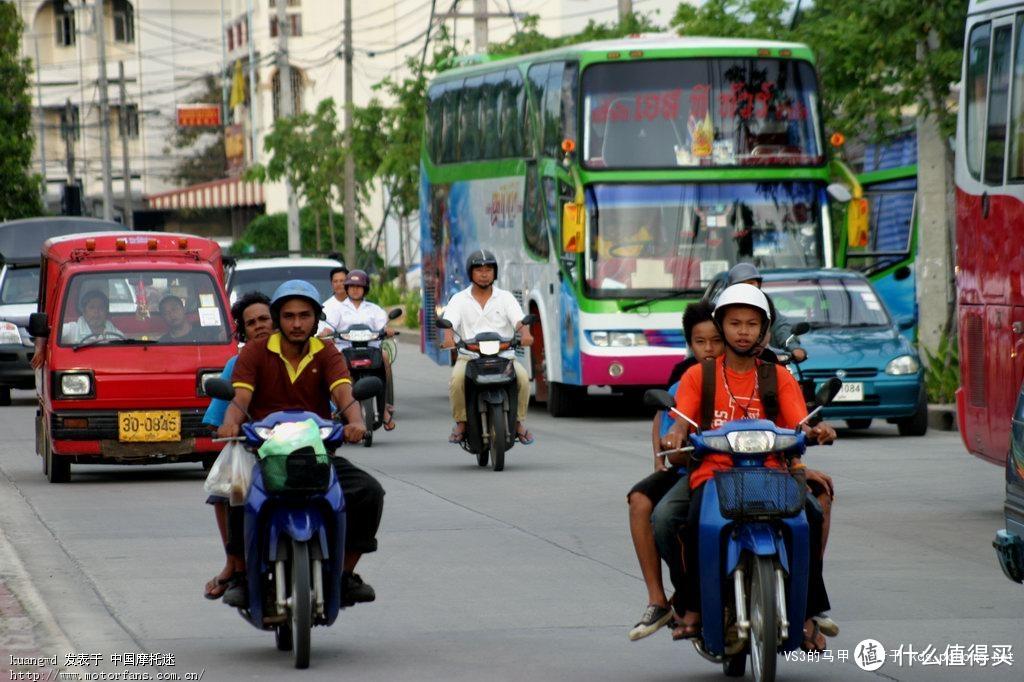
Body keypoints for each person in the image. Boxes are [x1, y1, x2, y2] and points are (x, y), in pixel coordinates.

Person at [660, 283, 837, 651]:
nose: (744, 331)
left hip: (772, 474)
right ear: (721, 325)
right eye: (736, 323)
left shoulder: (778, 376)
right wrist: (677, 431)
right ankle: (693, 606)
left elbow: (800, 423)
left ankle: (806, 612)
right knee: (690, 525)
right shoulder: (699, 375)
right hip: (714, 474)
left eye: (752, 324)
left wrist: (815, 430)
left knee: (812, 517)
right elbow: (682, 417)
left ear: (764, 329)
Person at [216, 280, 384, 608]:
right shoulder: (255, 352)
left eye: (304, 316)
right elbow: (241, 397)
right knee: (237, 492)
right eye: (289, 316)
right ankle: (242, 574)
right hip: (266, 455)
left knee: (369, 493)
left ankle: (344, 575)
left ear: (316, 319)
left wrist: (356, 422)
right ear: (278, 318)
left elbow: (343, 392)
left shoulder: (328, 352)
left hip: (317, 455)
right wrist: (232, 420)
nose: (296, 323)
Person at [627, 301, 722, 641]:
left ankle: (807, 610)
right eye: (700, 341)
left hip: (742, 470)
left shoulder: (757, 371)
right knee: (647, 505)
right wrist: (663, 452)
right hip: (691, 469)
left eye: (716, 340)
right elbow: (665, 420)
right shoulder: (685, 380)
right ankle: (662, 599)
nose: (709, 349)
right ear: (690, 343)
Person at [201, 291, 274, 600]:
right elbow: (217, 419)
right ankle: (236, 563)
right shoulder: (237, 364)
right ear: (243, 330)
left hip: (301, 450)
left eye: (265, 319)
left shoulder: (302, 355)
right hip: (253, 450)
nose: (259, 326)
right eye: (252, 322)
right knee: (227, 490)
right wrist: (230, 427)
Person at [441, 250, 534, 445]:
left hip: (504, 356)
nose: (484, 273)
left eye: (489, 269)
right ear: (470, 273)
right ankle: (461, 422)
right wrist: (448, 337)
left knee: (523, 378)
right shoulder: (459, 298)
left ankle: (518, 422)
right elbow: (449, 322)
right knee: (457, 381)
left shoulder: (506, 297)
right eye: (479, 269)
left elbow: (519, 320)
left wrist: (525, 334)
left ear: (495, 272)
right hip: (470, 356)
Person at [321, 269, 397, 430]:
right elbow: (328, 326)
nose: (355, 289)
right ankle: (337, 410)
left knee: (384, 355)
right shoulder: (337, 309)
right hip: (345, 350)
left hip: (370, 349)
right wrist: (326, 332)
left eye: (359, 286)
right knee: (335, 365)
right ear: (347, 288)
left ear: (365, 289)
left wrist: (388, 330)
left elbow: (383, 326)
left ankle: (385, 409)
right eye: (352, 286)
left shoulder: (374, 309)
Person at [726, 262, 806, 362]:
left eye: (751, 283)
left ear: (758, 284)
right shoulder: (723, 308)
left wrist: (794, 347)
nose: (748, 288)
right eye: (742, 284)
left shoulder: (765, 304)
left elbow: (780, 328)